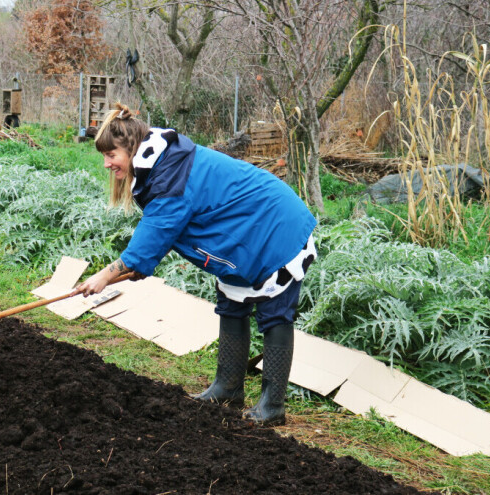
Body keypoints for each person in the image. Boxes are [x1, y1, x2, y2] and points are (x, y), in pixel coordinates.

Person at [75, 103, 317, 426]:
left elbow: (143, 250)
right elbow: (154, 243)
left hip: (276, 226)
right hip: (246, 229)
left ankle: (272, 406)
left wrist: (103, 277)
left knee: (275, 312)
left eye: (111, 155)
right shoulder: (164, 166)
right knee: (232, 302)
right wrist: (117, 272)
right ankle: (227, 388)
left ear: (131, 148)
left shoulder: (169, 179)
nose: (107, 164)